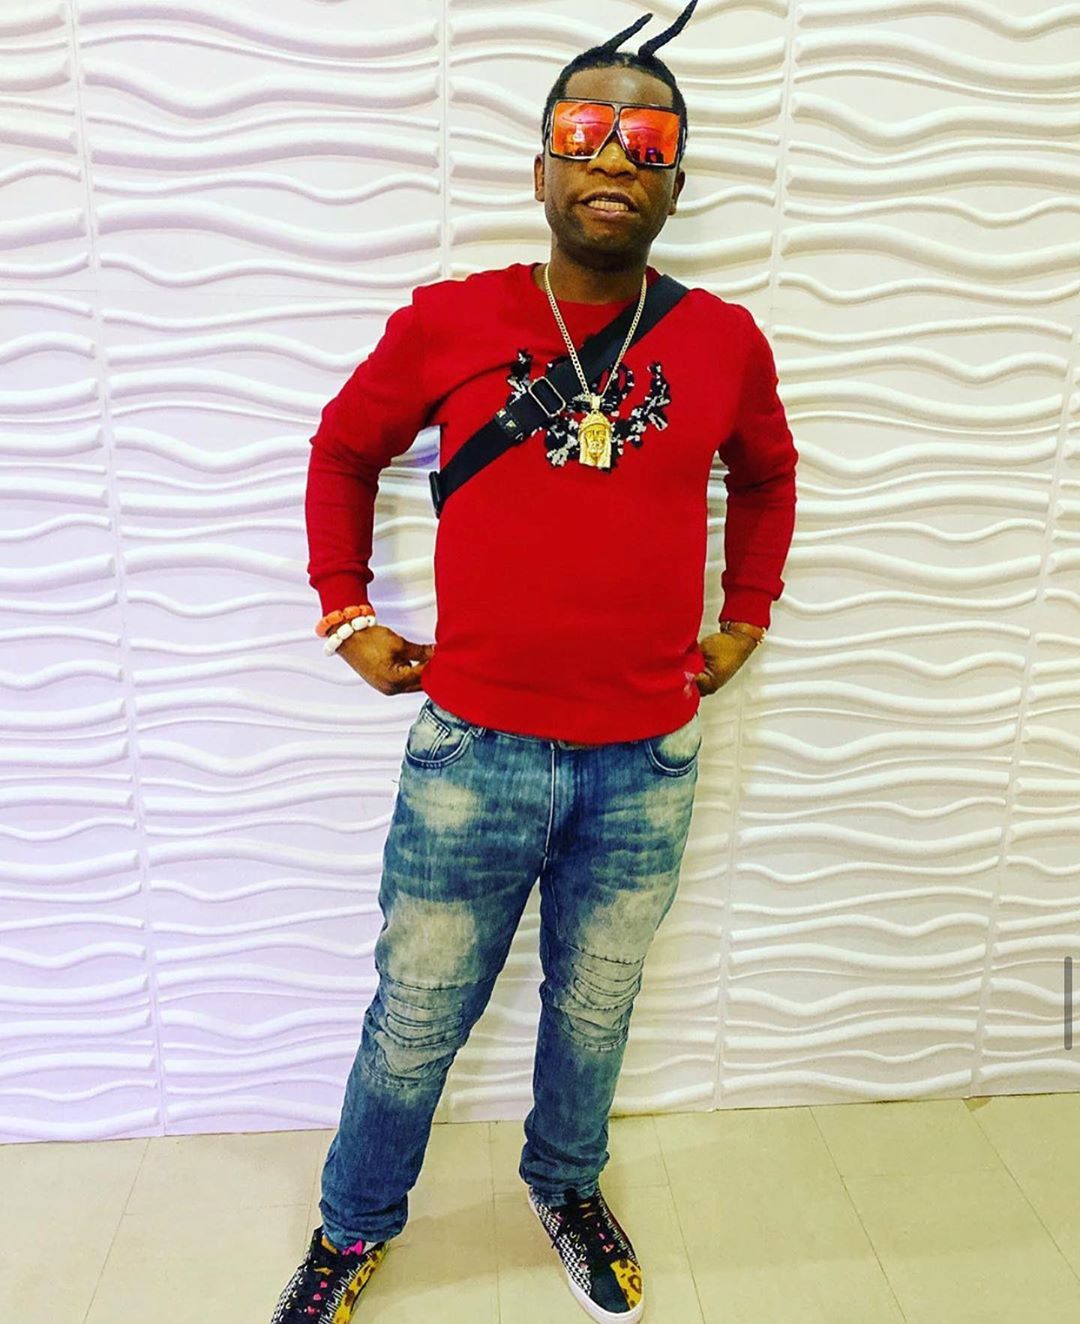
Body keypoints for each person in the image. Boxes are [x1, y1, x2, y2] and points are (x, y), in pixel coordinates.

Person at [271, 2, 797, 1320]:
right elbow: (343, 449)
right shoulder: (453, 320)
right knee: (417, 1015)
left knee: (597, 1007)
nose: (614, 156)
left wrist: (745, 617)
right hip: (474, 754)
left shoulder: (723, 340)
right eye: (585, 130)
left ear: (676, 182)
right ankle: (352, 1226)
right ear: (542, 166)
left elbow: (768, 476)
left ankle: (564, 1184)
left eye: (647, 141)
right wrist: (344, 610)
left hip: (646, 760)